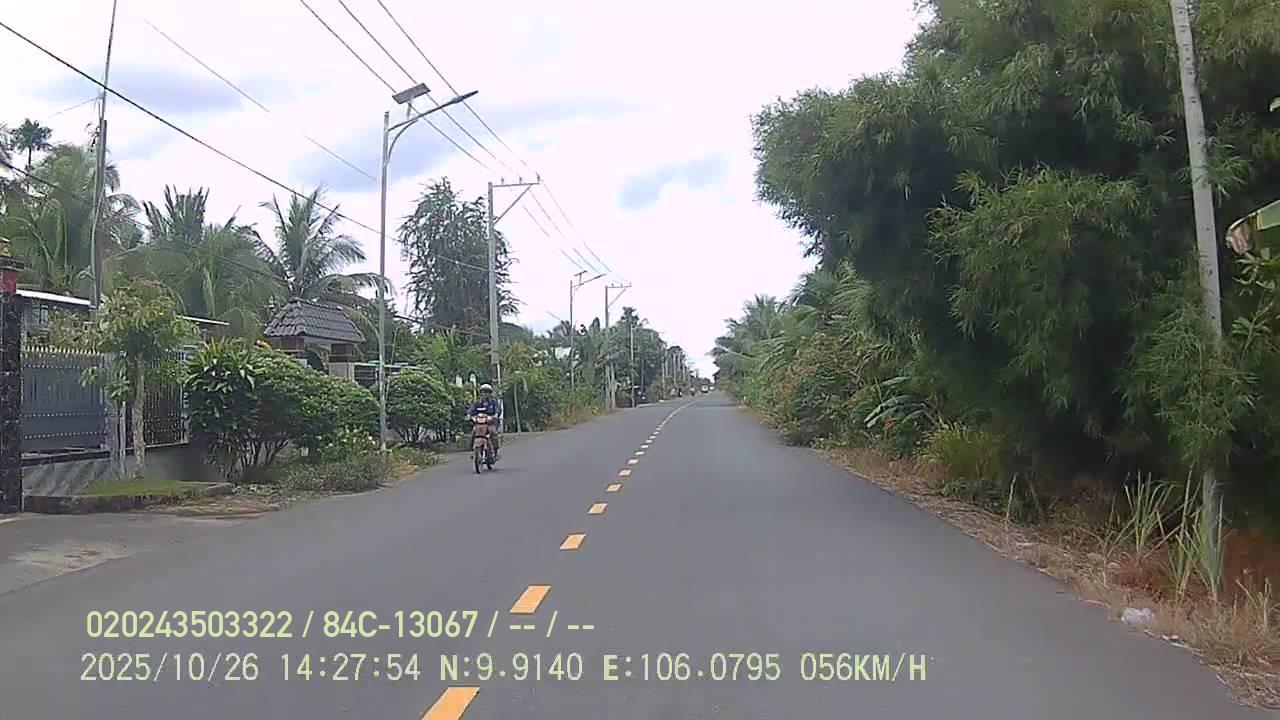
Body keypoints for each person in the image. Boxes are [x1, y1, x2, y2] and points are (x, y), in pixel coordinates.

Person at [468, 383, 502, 453]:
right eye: (483, 392)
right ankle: (471, 447)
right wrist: (469, 415)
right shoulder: (477, 403)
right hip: (479, 424)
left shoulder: (493, 402)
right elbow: (471, 410)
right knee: (474, 431)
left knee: (492, 432)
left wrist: (495, 415)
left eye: (487, 392)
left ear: (490, 393)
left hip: (490, 423)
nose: (485, 394)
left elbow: (498, 409)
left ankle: (495, 448)